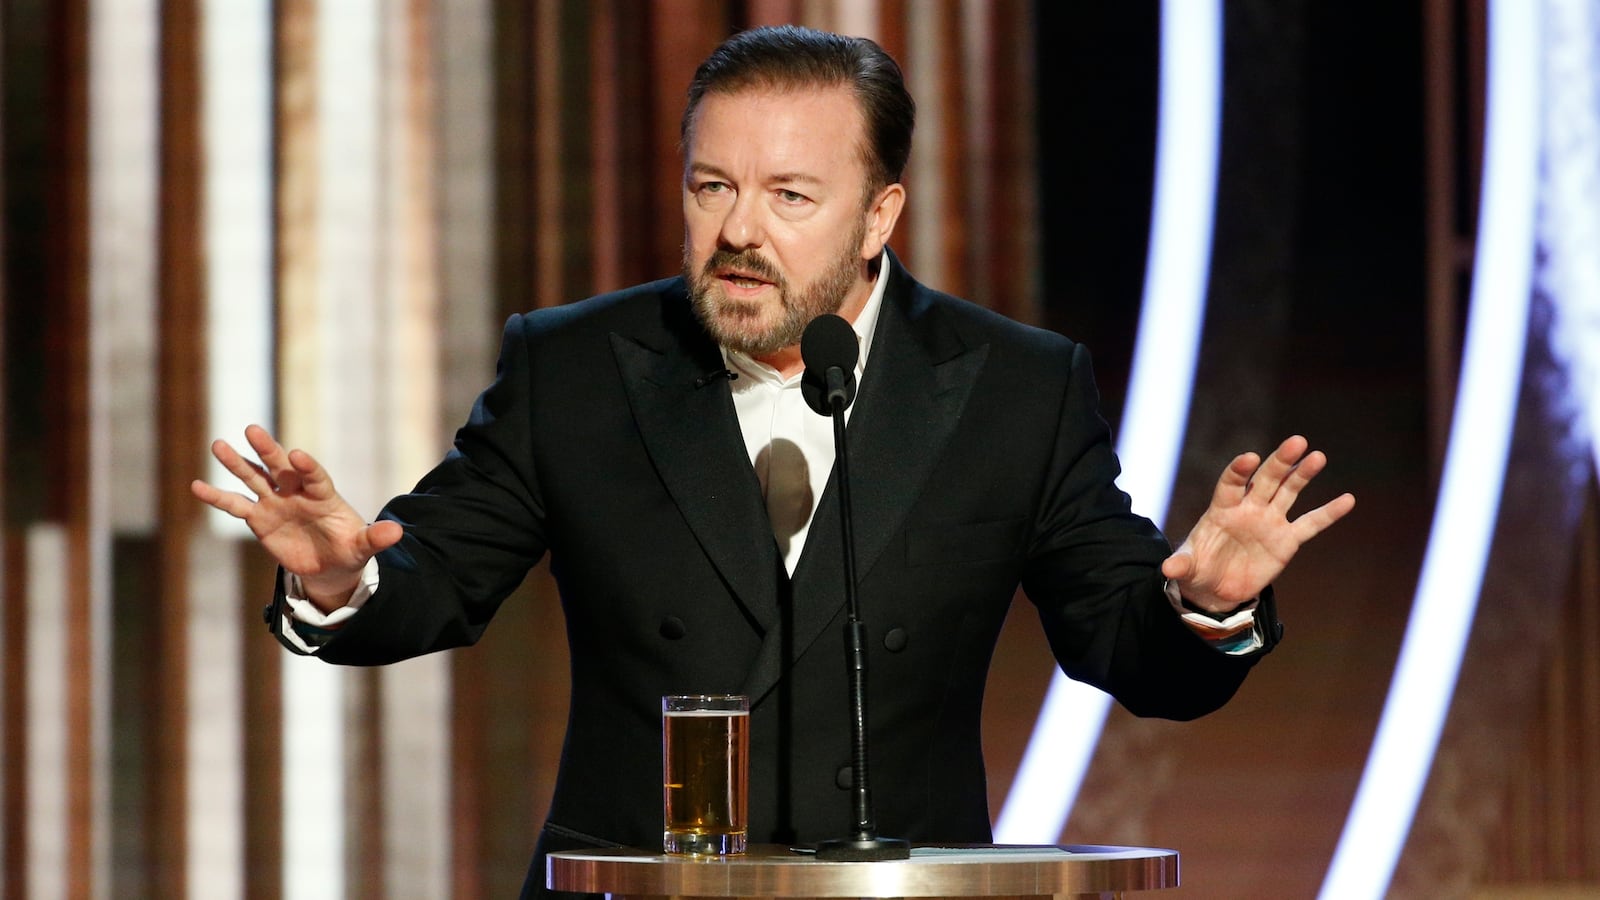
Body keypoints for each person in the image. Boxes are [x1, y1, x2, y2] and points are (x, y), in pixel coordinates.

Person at [192, 24, 1354, 897]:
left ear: (880, 214)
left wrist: (1201, 605)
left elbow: (1122, 643)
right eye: (713, 187)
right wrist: (341, 578)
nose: (739, 230)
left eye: (790, 195)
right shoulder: (582, 366)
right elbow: (437, 574)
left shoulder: (1012, 384)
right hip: (639, 887)